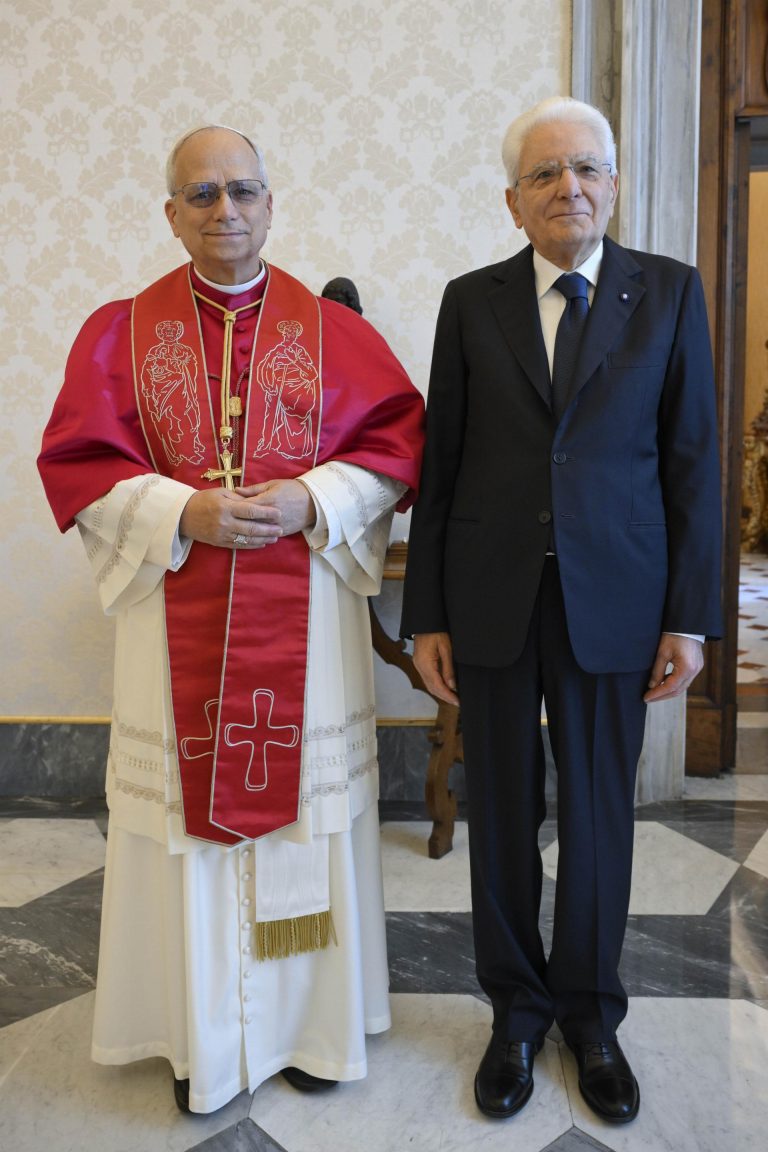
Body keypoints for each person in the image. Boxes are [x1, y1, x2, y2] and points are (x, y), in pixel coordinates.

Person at [38, 124, 424, 1115]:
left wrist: (313, 500)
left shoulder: (334, 333)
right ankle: (200, 1038)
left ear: (270, 203)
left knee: (304, 819)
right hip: (175, 608)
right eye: (202, 194)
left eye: (243, 190)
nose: (226, 210)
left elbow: (399, 448)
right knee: (186, 828)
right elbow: (80, 464)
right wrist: (182, 512)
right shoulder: (120, 332)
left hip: (306, 629)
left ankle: (309, 1027)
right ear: (171, 214)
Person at [401, 96, 722, 1125]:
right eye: (543, 174)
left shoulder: (668, 292)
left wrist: (689, 618)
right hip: (491, 597)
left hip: (616, 597)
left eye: (585, 168)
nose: (567, 187)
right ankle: (515, 1013)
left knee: (596, 815)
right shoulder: (470, 301)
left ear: (613, 185)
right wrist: (427, 614)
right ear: (513, 200)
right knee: (501, 814)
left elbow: (692, 462)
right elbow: (442, 464)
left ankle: (589, 1017)